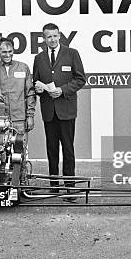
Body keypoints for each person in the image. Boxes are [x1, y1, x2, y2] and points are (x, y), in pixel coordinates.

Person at [33, 23, 86, 196]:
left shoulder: (72, 54)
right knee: (52, 150)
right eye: (49, 37)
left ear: (60, 35)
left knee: (68, 150)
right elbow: (36, 83)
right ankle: (54, 185)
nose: (52, 39)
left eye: (55, 36)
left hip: (67, 110)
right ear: (44, 38)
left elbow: (80, 79)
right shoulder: (39, 58)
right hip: (49, 112)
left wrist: (62, 90)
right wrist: (39, 89)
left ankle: (70, 186)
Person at [0, 38, 36, 135]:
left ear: (13, 51)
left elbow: (30, 93)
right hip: (0, 119)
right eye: (4, 52)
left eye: (10, 51)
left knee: (19, 149)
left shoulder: (23, 67)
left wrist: (30, 116)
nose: (8, 55)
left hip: (20, 119)